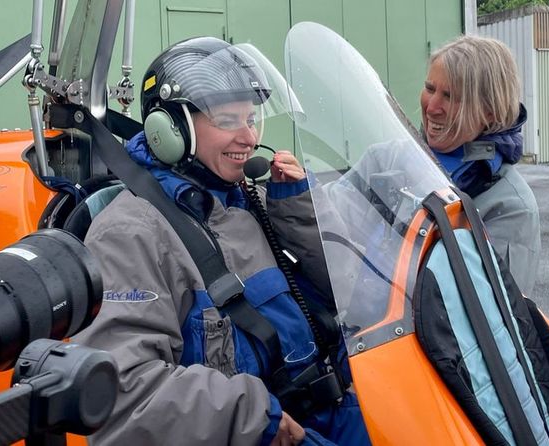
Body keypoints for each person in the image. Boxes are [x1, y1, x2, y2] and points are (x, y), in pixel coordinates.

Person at [73, 37, 370, 446]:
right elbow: (120, 394)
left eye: (251, 120)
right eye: (229, 120)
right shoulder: (132, 232)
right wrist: (251, 417)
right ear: (170, 128)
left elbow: (356, 295)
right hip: (264, 432)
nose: (249, 137)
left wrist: (298, 210)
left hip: (339, 406)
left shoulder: (253, 200)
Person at [420, 35, 540, 297]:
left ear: (490, 112)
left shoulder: (510, 207)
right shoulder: (390, 158)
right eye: (430, 88)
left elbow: (491, 319)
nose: (432, 107)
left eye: (450, 97)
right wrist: (305, 188)